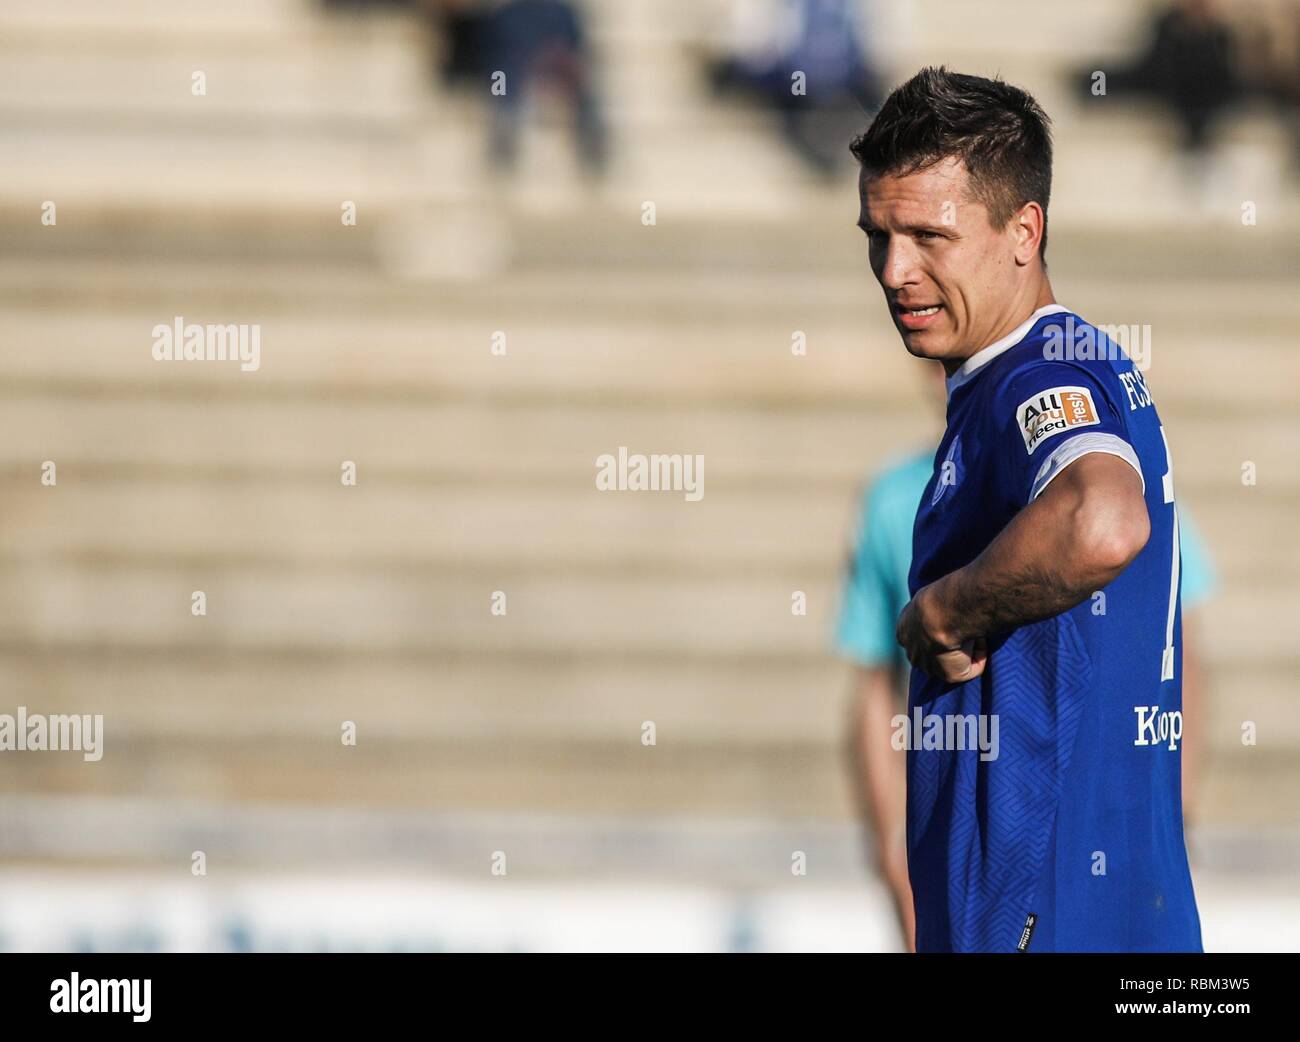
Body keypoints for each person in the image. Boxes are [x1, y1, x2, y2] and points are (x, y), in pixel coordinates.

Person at [848, 67, 1201, 951]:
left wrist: (946, 609)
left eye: (929, 235)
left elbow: (1104, 520)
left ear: (1023, 231)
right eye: (878, 237)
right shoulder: (1068, 362)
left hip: (1036, 917)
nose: (896, 271)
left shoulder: (1037, 376)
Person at [837, 365, 1218, 952]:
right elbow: (872, 685)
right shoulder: (893, 498)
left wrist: (1170, 813)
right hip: (970, 865)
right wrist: (893, 853)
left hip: (1074, 855)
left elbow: (1174, 645)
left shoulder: (1109, 471)